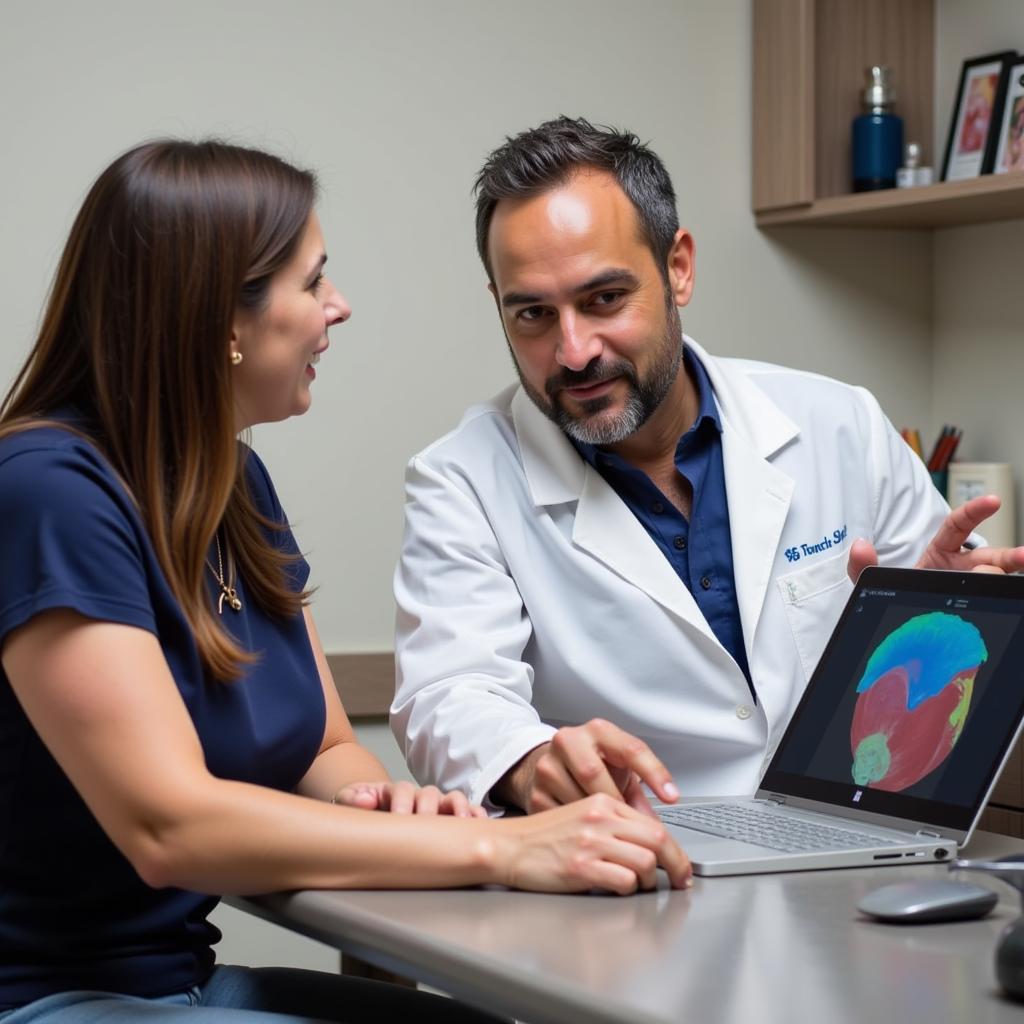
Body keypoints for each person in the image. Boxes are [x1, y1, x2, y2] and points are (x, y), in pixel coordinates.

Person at [0, 140, 693, 1024]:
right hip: (49, 1000)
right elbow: (169, 830)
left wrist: (390, 803)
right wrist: (505, 847)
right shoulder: (47, 490)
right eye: (312, 282)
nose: (339, 307)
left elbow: (326, 750)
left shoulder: (234, 486)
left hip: (180, 982)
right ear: (222, 320)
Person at [392, 116, 1024, 817]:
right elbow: (449, 694)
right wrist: (531, 760)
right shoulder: (463, 479)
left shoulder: (836, 423)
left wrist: (936, 609)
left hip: (857, 846)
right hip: (633, 872)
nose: (573, 350)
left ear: (678, 268)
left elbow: (938, 688)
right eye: (534, 315)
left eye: (604, 299)